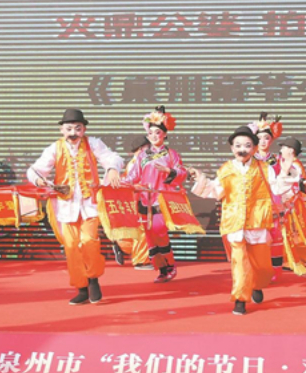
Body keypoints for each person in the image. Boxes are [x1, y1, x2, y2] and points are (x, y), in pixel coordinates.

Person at [27, 108, 123, 305]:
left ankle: (93, 279)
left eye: (77, 128)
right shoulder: (54, 148)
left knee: (89, 242)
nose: (73, 133)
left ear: (84, 129)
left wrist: (113, 169)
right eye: (69, 128)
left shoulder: (93, 144)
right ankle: (81, 288)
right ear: (62, 130)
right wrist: (39, 180)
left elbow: (112, 157)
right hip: (66, 206)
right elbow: (36, 169)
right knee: (71, 247)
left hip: (89, 204)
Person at [191, 125, 288, 315]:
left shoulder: (264, 168)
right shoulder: (226, 169)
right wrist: (199, 178)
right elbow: (216, 191)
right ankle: (240, 299)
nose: (242, 150)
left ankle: (257, 284)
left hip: (257, 221)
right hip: (234, 221)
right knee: (239, 262)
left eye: (247, 145)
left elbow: (277, 188)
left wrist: (287, 174)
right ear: (232, 148)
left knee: (262, 266)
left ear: (254, 148)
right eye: (237, 146)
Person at [121, 107, 188, 283]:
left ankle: (170, 265)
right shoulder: (142, 155)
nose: (153, 136)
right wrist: (119, 183)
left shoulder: (171, 155)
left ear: (164, 134)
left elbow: (182, 173)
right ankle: (161, 269)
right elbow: (132, 176)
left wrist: (169, 171)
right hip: (145, 200)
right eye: (150, 133)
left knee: (160, 232)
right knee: (150, 237)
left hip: (161, 200)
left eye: (157, 132)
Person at [277, 137, 306, 275]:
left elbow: (295, 183)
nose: (281, 150)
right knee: (290, 233)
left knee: (290, 233)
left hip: (291, 204)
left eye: (284, 147)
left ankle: (305, 255)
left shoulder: (294, 165)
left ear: (291, 150)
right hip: (287, 203)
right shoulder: (286, 163)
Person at [249, 113, 285, 280]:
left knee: (276, 237)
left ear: (272, 140)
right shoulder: (249, 159)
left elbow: (287, 180)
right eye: (259, 138)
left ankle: (275, 271)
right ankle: (258, 270)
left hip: (274, 203)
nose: (263, 141)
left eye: (266, 138)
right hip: (254, 204)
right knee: (257, 238)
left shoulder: (278, 159)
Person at [111, 135, 153, 270]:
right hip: (139, 200)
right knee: (143, 229)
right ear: (141, 149)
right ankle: (141, 261)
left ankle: (121, 243)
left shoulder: (138, 162)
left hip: (141, 199)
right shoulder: (136, 164)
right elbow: (130, 182)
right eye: (149, 147)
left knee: (140, 229)